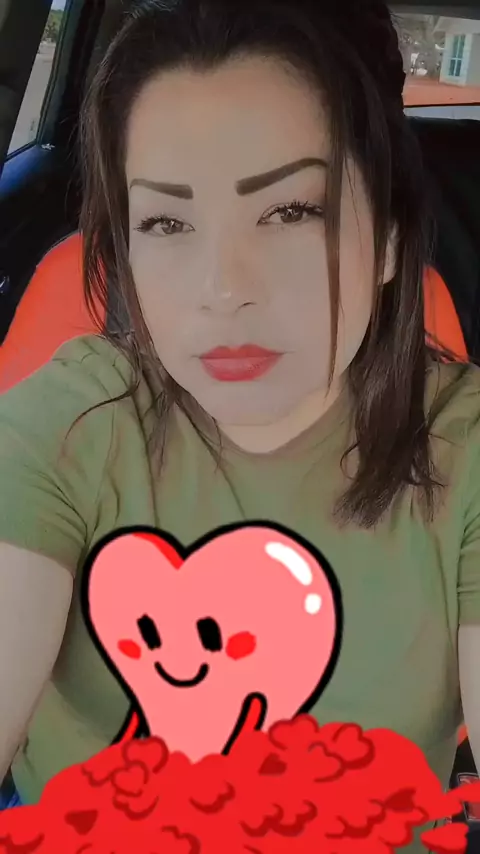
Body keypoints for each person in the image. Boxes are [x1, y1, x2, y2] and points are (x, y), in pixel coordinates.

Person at [0, 0, 479, 845]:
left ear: (391, 239)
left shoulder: (464, 451)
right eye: (167, 222)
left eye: (291, 211)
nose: (223, 289)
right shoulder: (65, 424)